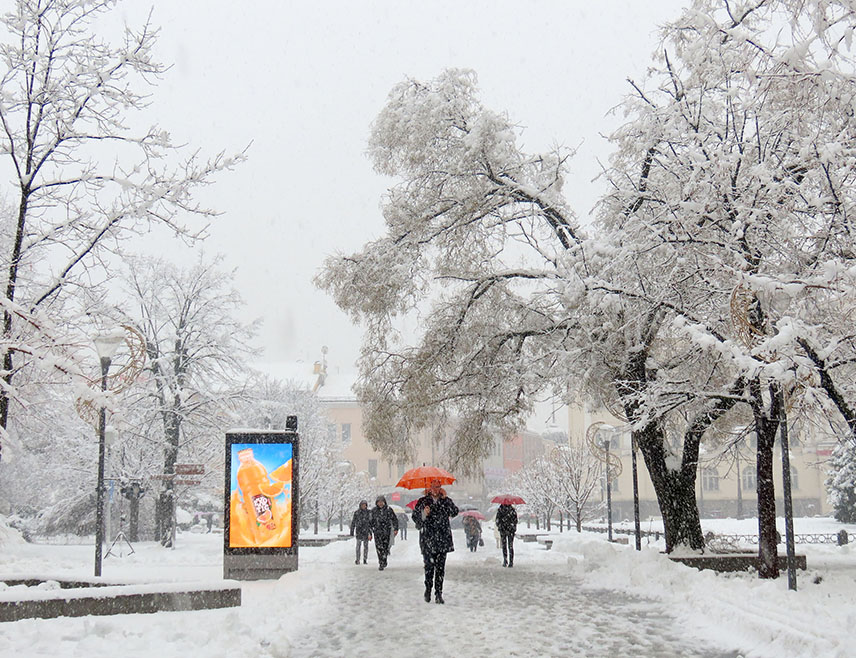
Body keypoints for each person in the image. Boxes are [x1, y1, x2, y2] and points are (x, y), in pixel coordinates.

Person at [412, 479, 459, 604]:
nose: (435, 489)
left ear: (441, 488)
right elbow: (415, 518)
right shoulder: (423, 501)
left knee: (440, 568)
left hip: (442, 539)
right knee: (429, 567)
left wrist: (446, 499)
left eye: (438, 486)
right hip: (428, 539)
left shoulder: (445, 501)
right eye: (433, 486)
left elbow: (455, 511)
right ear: (429, 487)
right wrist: (424, 513)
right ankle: (428, 589)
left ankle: (438, 593)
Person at [369, 495, 398, 570]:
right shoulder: (374, 511)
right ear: (376, 503)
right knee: (379, 547)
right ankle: (381, 562)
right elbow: (370, 522)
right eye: (379, 502)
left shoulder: (388, 510)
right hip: (377, 532)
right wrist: (370, 532)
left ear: (384, 502)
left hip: (386, 531)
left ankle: (384, 559)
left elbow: (394, 519)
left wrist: (396, 528)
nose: (380, 503)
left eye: (382, 502)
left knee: (385, 547)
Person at [496, 503, 518, 567]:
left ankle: (505, 560)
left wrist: (501, 525)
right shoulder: (512, 510)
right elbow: (515, 520)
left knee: (504, 545)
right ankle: (511, 561)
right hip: (510, 530)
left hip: (503, 530)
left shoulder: (500, 510)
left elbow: (497, 521)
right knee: (510, 546)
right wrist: (511, 525)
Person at [349, 500, 371, 565]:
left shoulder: (369, 513)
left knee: (366, 547)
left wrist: (370, 532)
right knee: (358, 546)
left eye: (365, 505)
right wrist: (352, 531)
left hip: (366, 531)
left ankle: (365, 559)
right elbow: (353, 522)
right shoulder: (357, 513)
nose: (364, 506)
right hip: (359, 531)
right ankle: (358, 559)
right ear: (360, 505)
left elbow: (371, 523)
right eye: (362, 505)